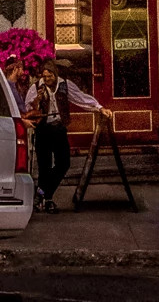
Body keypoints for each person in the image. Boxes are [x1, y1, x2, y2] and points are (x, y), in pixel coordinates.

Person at [25, 61, 108, 214]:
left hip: (58, 128)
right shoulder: (36, 87)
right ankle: (47, 201)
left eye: (50, 76)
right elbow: (28, 109)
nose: (47, 79)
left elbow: (81, 98)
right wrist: (37, 100)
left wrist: (99, 107)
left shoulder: (65, 85)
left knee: (64, 163)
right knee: (44, 166)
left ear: (55, 75)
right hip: (43, 129)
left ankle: (42, 194)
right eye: (44, 76)